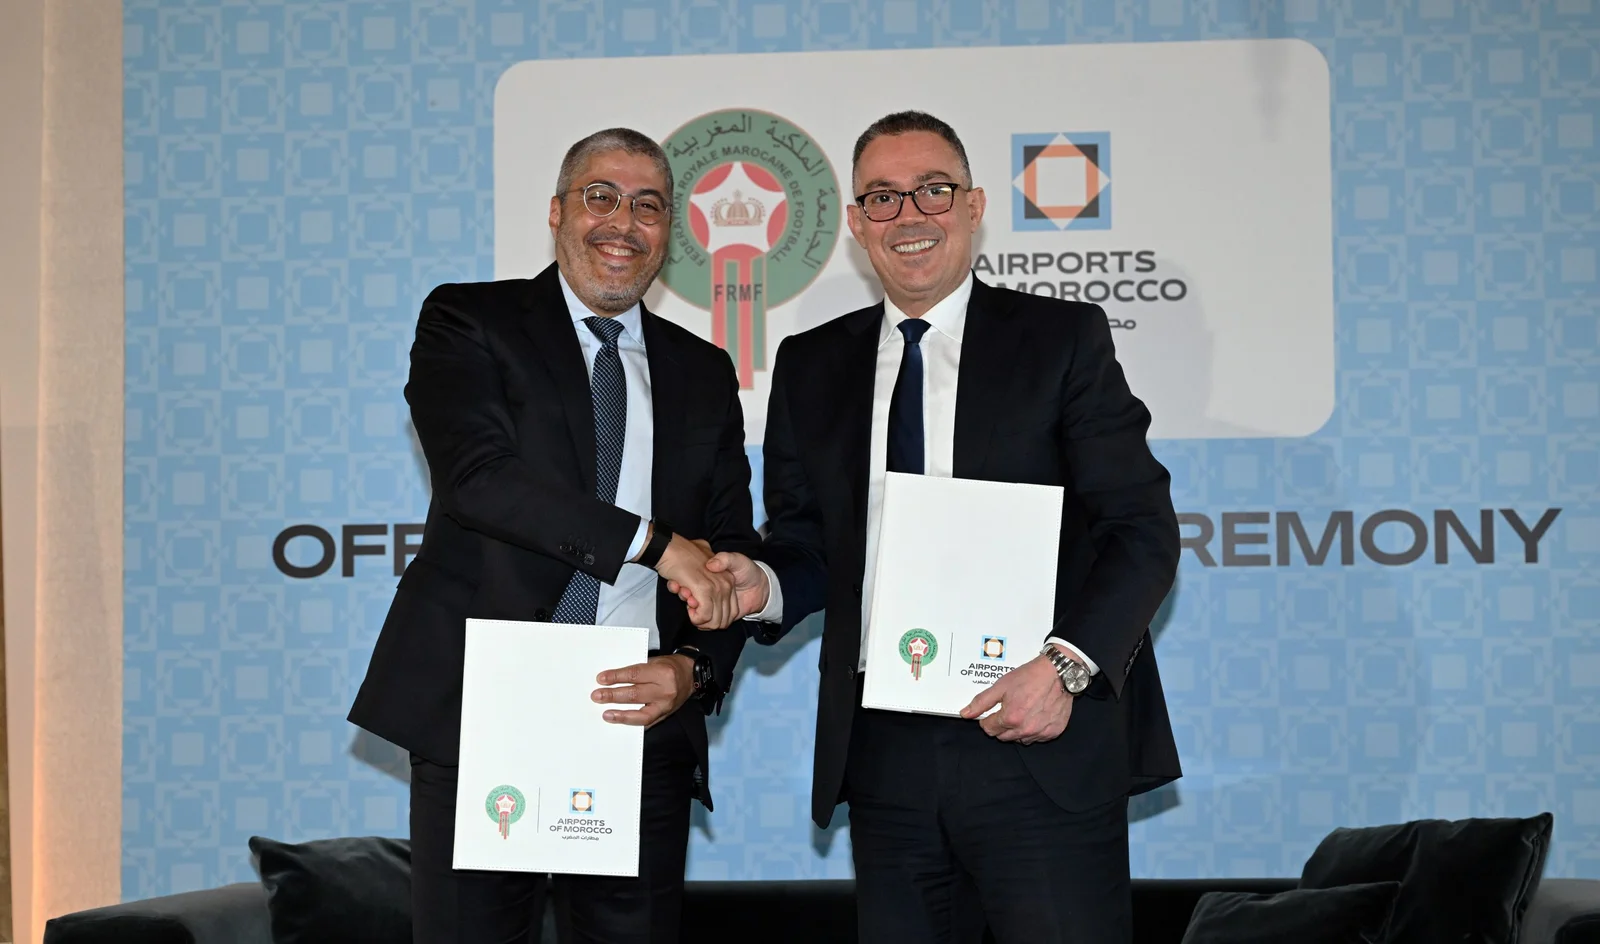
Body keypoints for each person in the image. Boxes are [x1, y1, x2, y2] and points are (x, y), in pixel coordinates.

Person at [699, 111, 1183, 943]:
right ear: (857, 224)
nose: (909, 215)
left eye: (932, 190)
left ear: (974, 206)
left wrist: (1064, 669)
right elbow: (810, 546)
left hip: (1040, 734)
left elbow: (1140, 528)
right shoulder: (812, 365)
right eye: (882, 198)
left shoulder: (1060, 340)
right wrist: (764, 585)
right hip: (885, 754)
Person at [348, 127, 757, 944]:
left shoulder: (702, 368)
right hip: (484, 711)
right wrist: (654, 544)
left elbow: (728, 554)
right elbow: (479, 480)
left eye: (648, 206)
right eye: (601, 196)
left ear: (668, 231)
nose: (623, 222)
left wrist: (693, 668)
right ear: (557, 211)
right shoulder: (470, 319)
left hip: (637, 718)